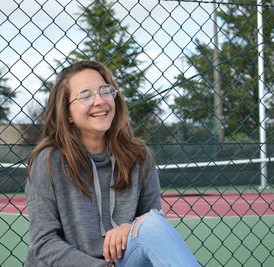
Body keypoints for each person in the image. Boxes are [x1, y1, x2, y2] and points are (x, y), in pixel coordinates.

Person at [25, 60, 199, 267]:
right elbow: (44, 242)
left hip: (123, 261)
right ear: (68, 113)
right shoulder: (49, 160)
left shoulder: (139, 156)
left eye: (105, 90)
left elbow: (151, 222)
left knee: (152, 224)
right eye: (86, 95)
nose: (99, 101)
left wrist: (129, 226)